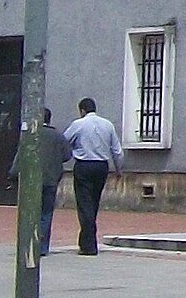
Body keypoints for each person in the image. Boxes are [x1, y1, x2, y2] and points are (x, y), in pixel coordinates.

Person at [63, 97, 124, 256]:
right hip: (101, 166)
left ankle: (89, 244)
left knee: (84, 204)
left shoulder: (78, 124)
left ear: (82, 110)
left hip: (84, 165)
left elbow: (64, 142)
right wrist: (119, 170)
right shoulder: (107, 125)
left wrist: (68, 154)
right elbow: (117, 150)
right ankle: (86, 240)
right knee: (94, 202)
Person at [36, 107, 68, 257]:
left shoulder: (31, 134)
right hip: (51, 179)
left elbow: (21, 154)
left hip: (33, 180)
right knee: (47, 212)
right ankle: (43, 246)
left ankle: (30, 242)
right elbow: (67, 155)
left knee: (31, 211)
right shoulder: (58, 136)